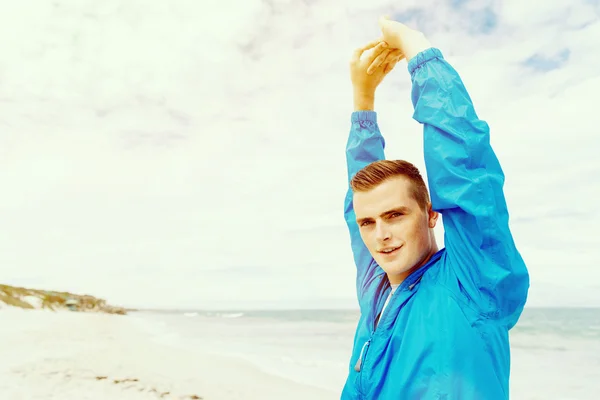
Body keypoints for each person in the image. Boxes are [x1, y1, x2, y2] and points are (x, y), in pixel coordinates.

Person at [341, 16, 530, 399]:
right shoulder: (376, 287)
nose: (380, 235)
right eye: (368, 223)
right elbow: (360, 200)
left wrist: (418, 53)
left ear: (431, 215)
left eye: (396, 215)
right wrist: (363, 103)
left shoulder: (473, 283)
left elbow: (467, 176)